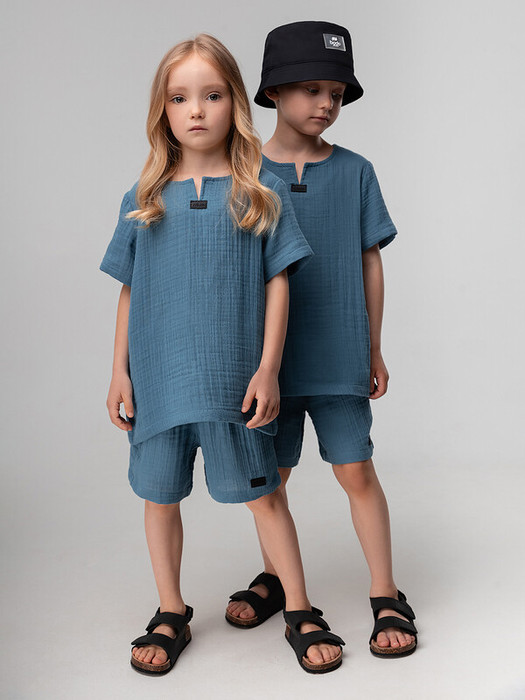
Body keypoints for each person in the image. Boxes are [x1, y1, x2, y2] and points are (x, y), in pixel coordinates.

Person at [99, 33, 346, 675]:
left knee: (266, 497)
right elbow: (130, 290)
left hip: (234, 381)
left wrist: (268, 368)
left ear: (234, 101)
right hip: (159, 381)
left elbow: (278, 281)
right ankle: (170, 610)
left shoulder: (260, 189)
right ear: (163, 110)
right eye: (180, 98)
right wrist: (119, 371)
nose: (196, 110)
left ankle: (299, 607)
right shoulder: (143, 198)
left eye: (211, 95)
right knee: (160, 497)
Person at [225, 21, 418, 658]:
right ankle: (279, 579)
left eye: (335, 93)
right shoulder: (243, 172)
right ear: (273, 93)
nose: (326, 104)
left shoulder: (356, 172)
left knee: (356, 469)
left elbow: (370, 261)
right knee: (270, 480)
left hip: (339, 354)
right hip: (269, 364)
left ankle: (386, 590)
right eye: (311, 89)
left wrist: (374, 347)